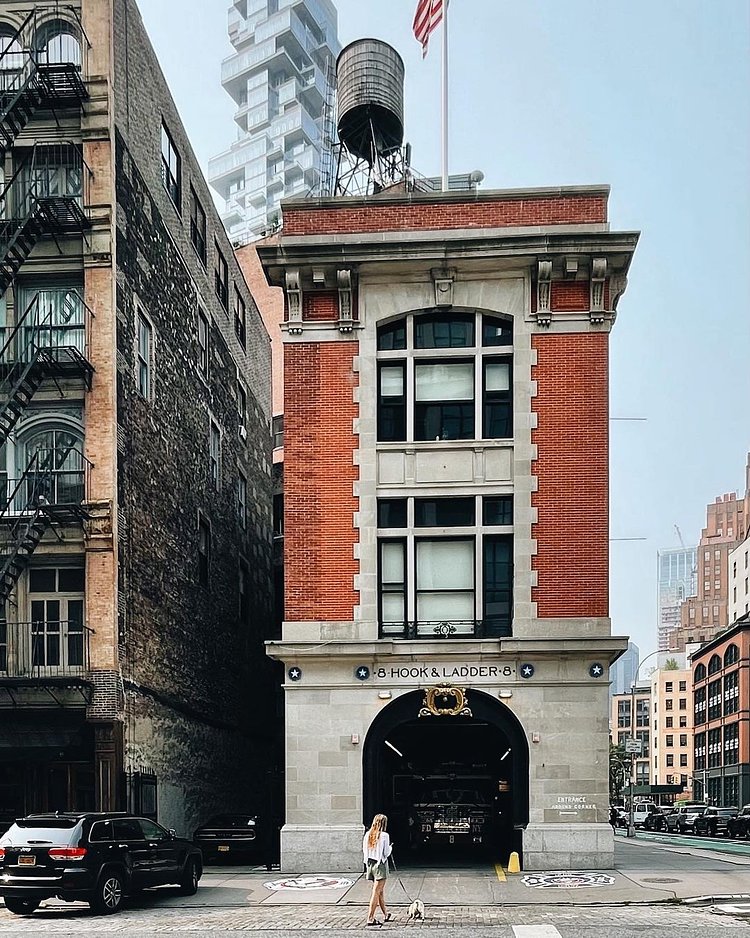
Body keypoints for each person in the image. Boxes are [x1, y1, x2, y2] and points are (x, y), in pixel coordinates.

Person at [363, 813, 393, 926]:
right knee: (376, 892)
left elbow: (365, 850)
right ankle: (370, 918)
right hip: (380, 865)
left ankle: (386, 914)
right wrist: (390, 848)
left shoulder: (368, 834)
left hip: (370, 864)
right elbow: (386, 853)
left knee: (380, 891)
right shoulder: (384, 835)